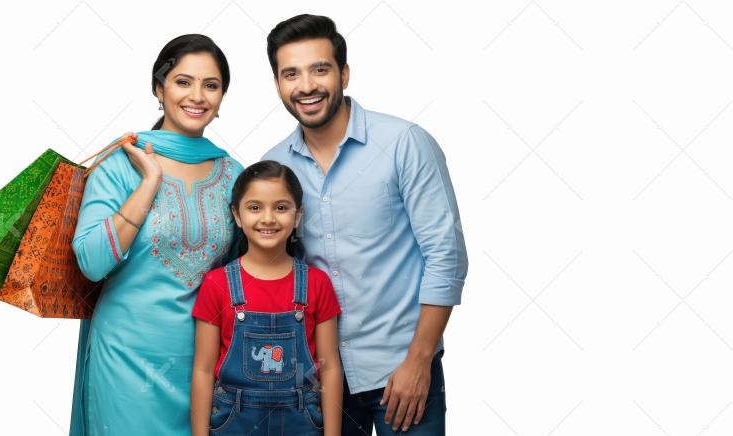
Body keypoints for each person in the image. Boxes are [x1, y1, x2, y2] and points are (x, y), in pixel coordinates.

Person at [262, 14, 468, 435]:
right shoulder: (274, 167)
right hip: (320, 377)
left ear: (344, 73)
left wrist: (419, 360)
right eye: (291, 74)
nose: (306, 86)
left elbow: (445, 256)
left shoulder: (403, 143)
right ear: (278, 84)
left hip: (403, 371)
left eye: (320, 69)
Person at [68, 34, 244, 435]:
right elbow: (93, 264)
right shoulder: (121, 163)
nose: (197, 96)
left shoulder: (233, 174)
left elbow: (239, 276)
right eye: (183, 81)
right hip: (126, 363)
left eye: (211, 85)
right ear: (158, 88)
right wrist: (149, 183)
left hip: (204, 366)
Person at [191, 160, 343, 435]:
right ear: (237, 215)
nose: (268, 218)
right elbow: (203, 370)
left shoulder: (317, 283)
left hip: (302, 421)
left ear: (298, 216)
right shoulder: (217, 283)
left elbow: (330, 367)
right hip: (233, 423)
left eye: (281, 208)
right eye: (255, 207)